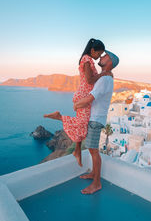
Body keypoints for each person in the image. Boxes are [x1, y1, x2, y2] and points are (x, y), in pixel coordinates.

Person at [44, 39, 112, 166]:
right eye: (98, 53)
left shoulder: (88, 60)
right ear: (93, 50)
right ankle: (59, 117)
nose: (98, 57)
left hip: (84, 95)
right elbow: (90, 80)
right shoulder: (87, 60)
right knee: (82, 124)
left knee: (82, 125)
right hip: (84, 96)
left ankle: (77, 151)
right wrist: (104, 73)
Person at [74, 50, 119, 194]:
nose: (101, 56)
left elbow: (91, 97)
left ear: (110, 61)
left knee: (93, 151)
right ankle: (94, 174)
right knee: (92, 149)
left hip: (96, 118)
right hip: (95, 117)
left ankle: (97, 183)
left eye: (104, 56)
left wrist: (77, 105)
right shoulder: (104, 78)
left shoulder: (105, 79)